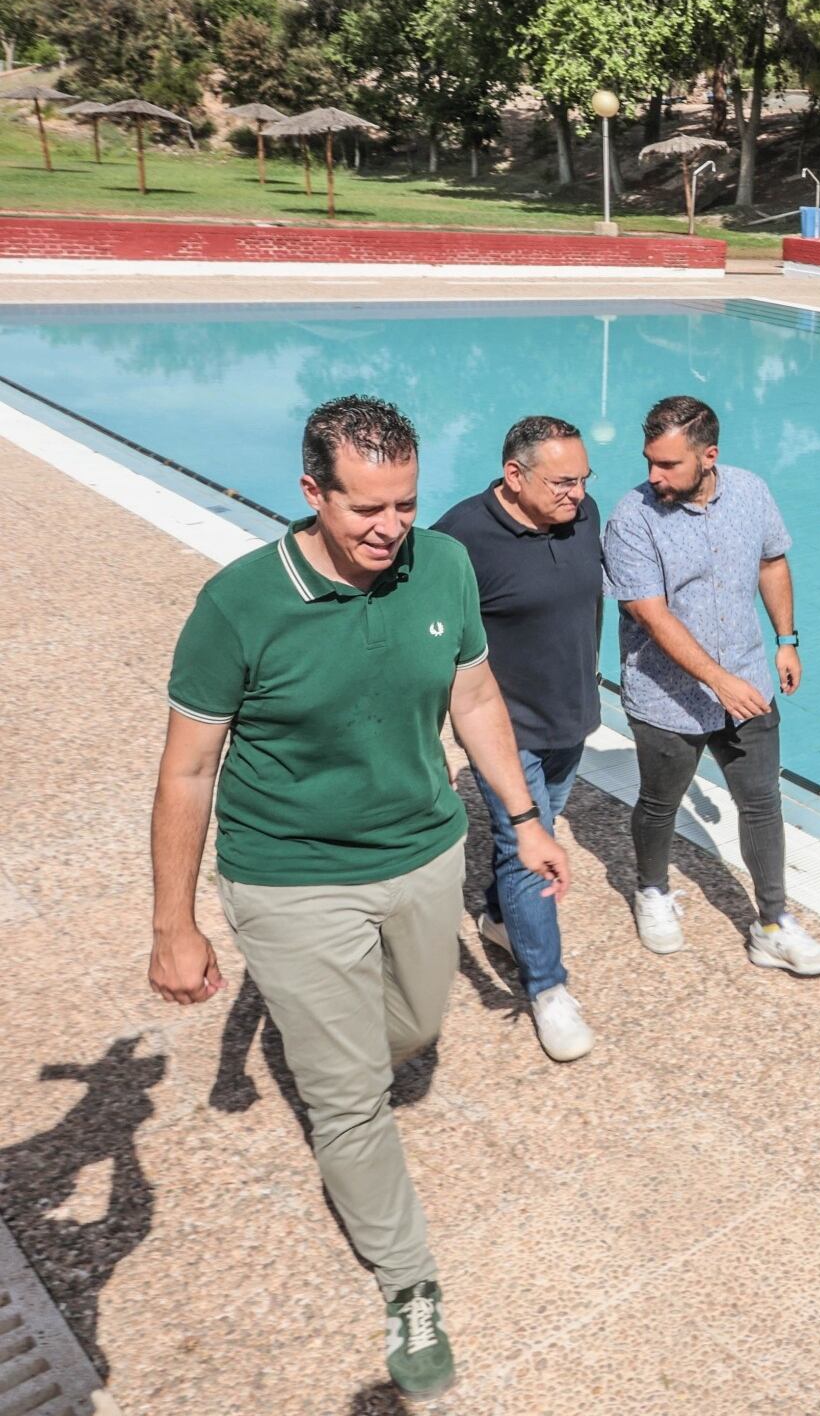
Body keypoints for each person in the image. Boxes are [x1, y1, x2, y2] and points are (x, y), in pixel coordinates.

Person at [149, 396, 570, 1401]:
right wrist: (174, 926)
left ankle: (347, 1065)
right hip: (289, 875)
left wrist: (523, 817)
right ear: (312, 493)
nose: (389, 530)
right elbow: (186, 773)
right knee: (347, 1096)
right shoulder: (239, 605)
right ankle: (408, 1279)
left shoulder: (445, 566)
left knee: (414, 1030)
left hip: (422, 850)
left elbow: (473, 698)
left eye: (405, 506)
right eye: (365, 509)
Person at [604, 395, 820, 975]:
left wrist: (787, 639)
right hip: (666, 695)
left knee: (761, 803)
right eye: (649, 462)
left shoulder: (752, 492)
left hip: (748, 682)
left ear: (708, 457)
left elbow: (772, 562)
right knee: (660, 803)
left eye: (668, 466)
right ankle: (651, 889)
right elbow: (651, 614)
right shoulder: (630, 519)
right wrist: (718, 681)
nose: (654, 477)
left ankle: (772, 925)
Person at [432, 415, 602, 1062]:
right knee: (525, 847)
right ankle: (548, 989)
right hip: (506, 732)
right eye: (562, 482)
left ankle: (499, 920)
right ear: (513, 475)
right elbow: (426, 639)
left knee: (539, 832)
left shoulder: (582, 518)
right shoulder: (461, 540)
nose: (577, 495)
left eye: (584, 480)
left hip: (572, 717)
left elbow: (586, 607)